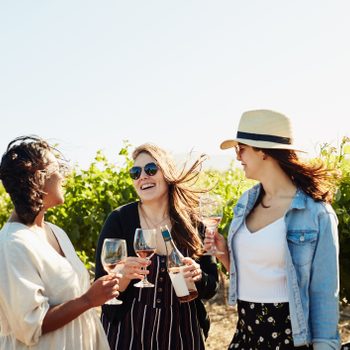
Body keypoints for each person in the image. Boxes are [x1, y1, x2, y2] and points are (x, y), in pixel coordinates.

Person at [205, 110, 340, 349]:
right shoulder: (244, 203)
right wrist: (224, 253)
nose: (238, 157)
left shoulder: (316, 213)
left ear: (263, 151)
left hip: (290, 338)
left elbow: (324, 296)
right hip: (246, 335)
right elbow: (254, 275)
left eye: (241, 149)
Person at [95, 143, 219, 350]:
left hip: (182, 333)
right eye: (135, 172)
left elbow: (211, 287)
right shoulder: (119, 220)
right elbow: (102, 287)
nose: (142, 176)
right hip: (127, 333)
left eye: (151, 169)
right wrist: (123, 275)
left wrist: (199, 276)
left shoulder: (194, 223)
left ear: (167, 174)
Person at [0, 136, 120, 350]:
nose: (64, 176)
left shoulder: (57, 232)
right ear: (38, 177)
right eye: (58, 168)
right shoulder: (12, 243)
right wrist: (88, 300)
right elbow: (29, 326)